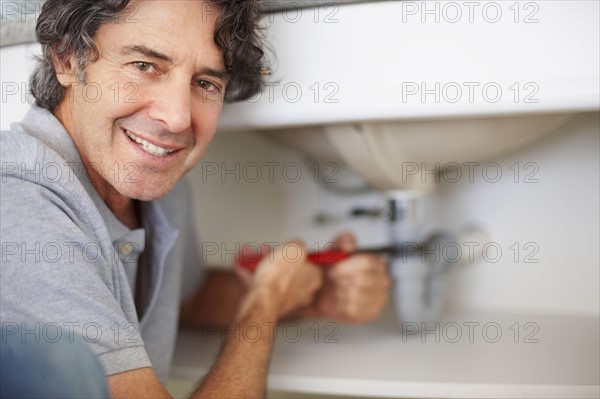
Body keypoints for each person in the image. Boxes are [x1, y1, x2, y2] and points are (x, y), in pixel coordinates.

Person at [0, 0, 390, 397]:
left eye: (205, 83)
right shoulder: (16, 205)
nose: (178, 118)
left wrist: (310, 295)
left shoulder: (152, 182)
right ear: (66, 57)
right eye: (144, 66)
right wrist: (265, 301)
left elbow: (187, 300)